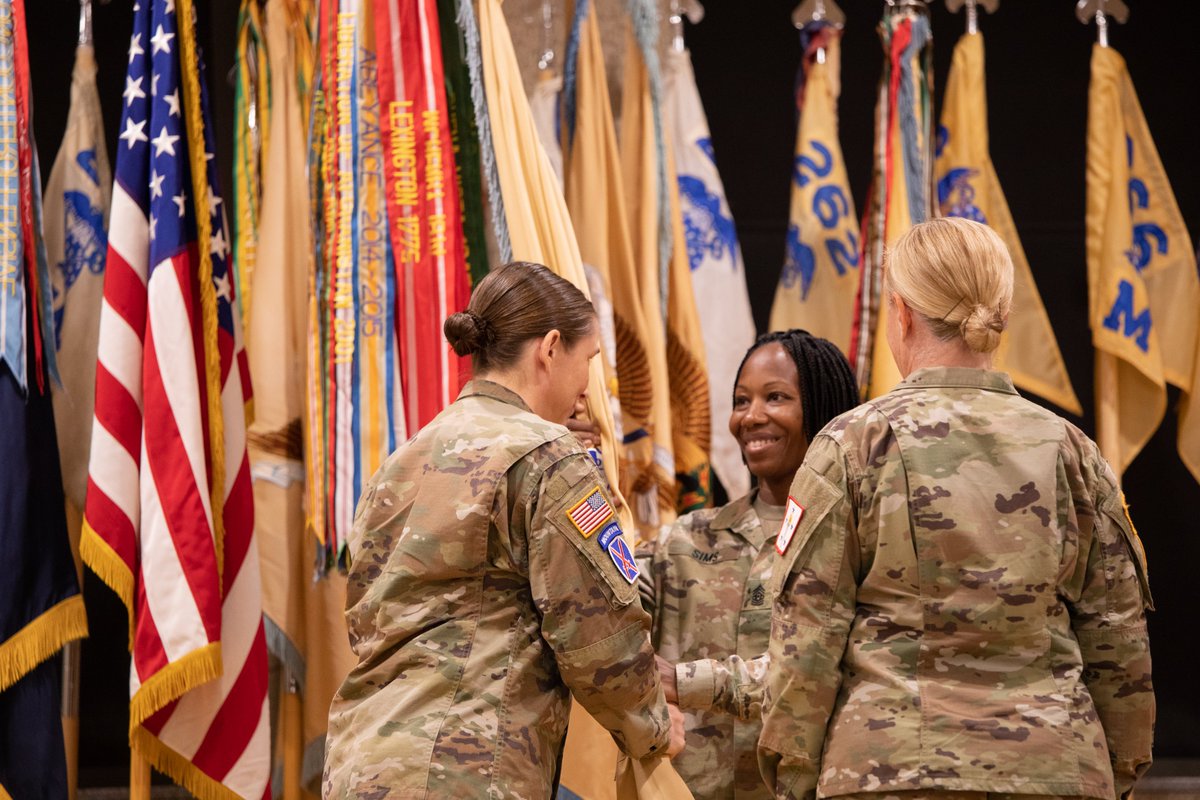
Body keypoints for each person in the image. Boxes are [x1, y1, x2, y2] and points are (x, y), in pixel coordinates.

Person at [759, 217, 1154, 800]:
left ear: (902, 312)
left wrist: (794, 778)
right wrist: (1112, 769)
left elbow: (807, 641)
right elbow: (1119, 638)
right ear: (1003, 312)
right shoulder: (1072, 451)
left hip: (888, 773)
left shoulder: (851, 445)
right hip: (1055, 769)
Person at [324, 262, 683, 800]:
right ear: (551, 348)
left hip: (361, 765)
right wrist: (653, 724)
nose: (587, 391)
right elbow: (599, 634)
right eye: (588, 362)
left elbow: (365, 621)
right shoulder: (548, 455)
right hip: (464, 769)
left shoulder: (403, 459)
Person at [643, 329, 859, 799]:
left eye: (776, 397)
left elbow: (816, 674)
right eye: (742, 400)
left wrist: (683, 682)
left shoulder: (856, 541)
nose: (751, 417)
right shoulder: (686, 538)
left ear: (823, 408)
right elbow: (602, 601)